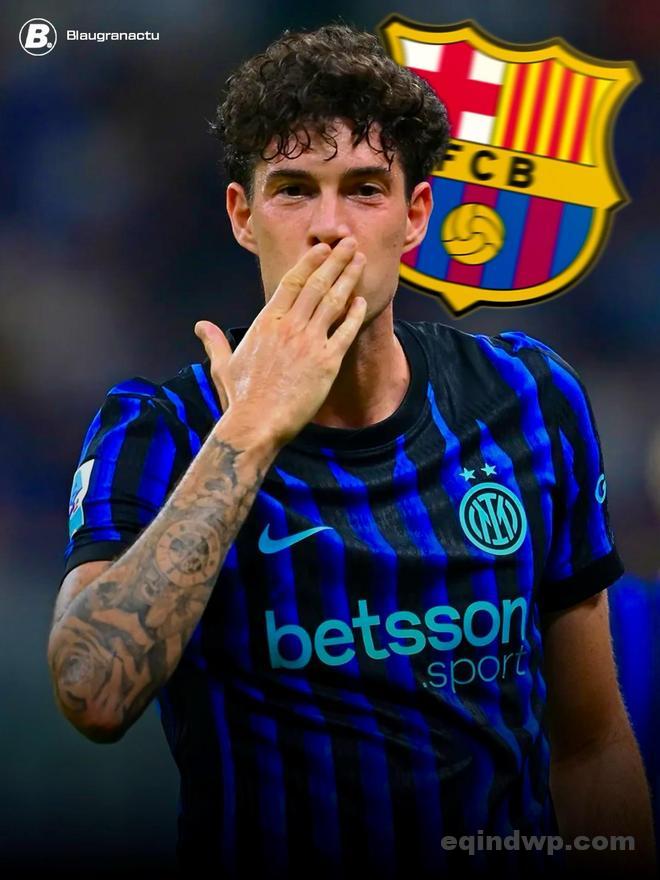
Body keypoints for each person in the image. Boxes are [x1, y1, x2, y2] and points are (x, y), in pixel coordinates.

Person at [47, 23, 655, 879]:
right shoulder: (161, 428)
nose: (329, 228)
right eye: (294, 190)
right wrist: (251, 429)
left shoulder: (527, 397)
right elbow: (91, 692)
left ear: (415, 217)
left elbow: (591, 744)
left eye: (365, 190)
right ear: (243, 217)